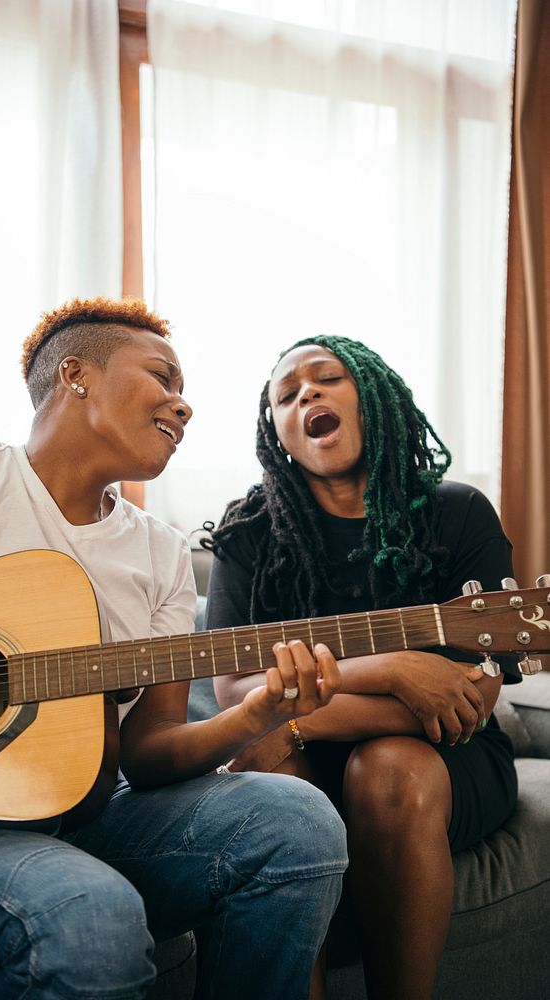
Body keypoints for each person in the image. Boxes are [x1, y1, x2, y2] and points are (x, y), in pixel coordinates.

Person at [0, 300, 348, 1000]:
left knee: (298, 821)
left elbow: (148, 749)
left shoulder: (160, 552)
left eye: (184, 391)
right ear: (76, 375)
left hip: (87, 817)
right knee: (86, 911)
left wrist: (256, 715)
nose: (183, 406)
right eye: (162, 377)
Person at [205, 334, 519, 1000]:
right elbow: (233, 690)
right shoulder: (248, 532)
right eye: (285, 395)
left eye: (325, 380)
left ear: (373, 397)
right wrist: (391, 668)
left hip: (440, 754)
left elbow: (473, 693)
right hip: (301, 752)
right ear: (278, 434)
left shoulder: (454, 512)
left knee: (385, 768)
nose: (306, 395)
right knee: (269, 776)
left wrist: (298, 720)